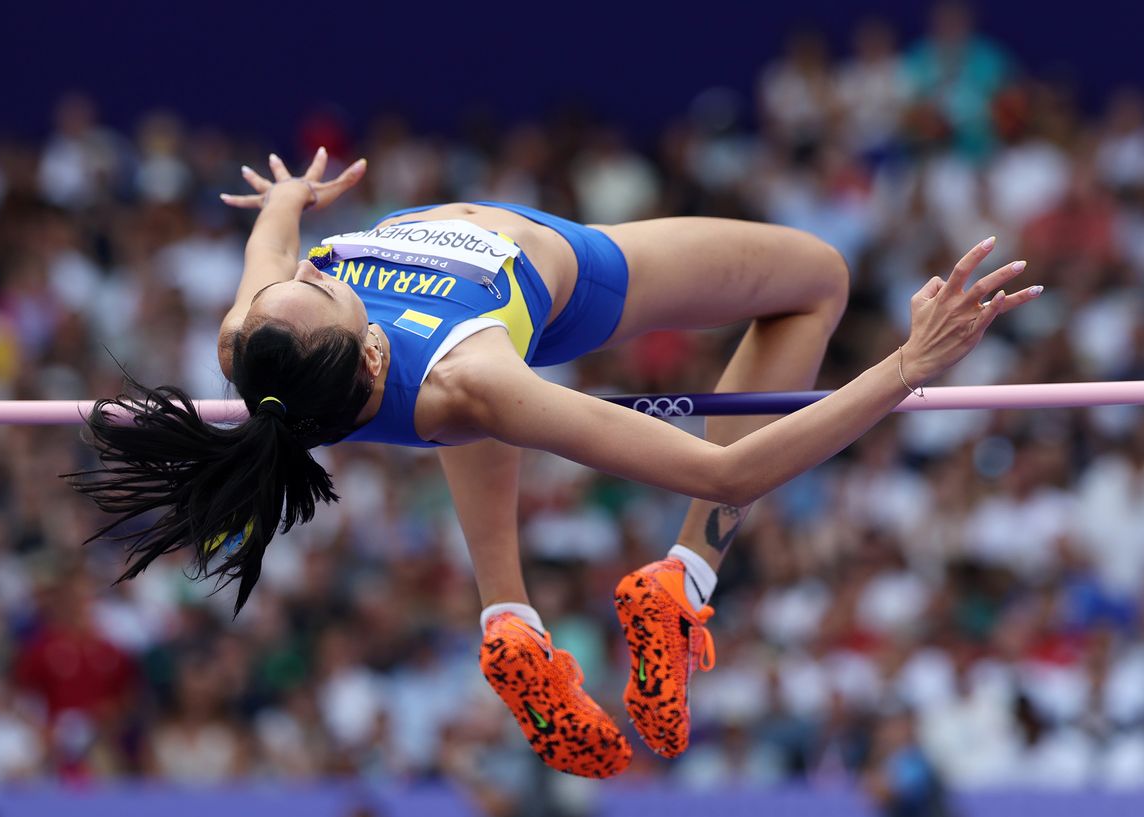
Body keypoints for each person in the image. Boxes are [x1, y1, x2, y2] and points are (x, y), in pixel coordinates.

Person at [70, 149, 1041, 778]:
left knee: (471, 403)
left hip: (463, 355)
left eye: (313, 275)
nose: (319, 272)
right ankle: (681, 578)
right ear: (368, 353)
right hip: (565, 278)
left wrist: (287, 200)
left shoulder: (255, 339)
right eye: (328, 290)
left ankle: (510, 617)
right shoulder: (474, 372)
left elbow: (270, 251)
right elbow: (727, 475)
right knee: (815, 279)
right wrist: (906, 366)